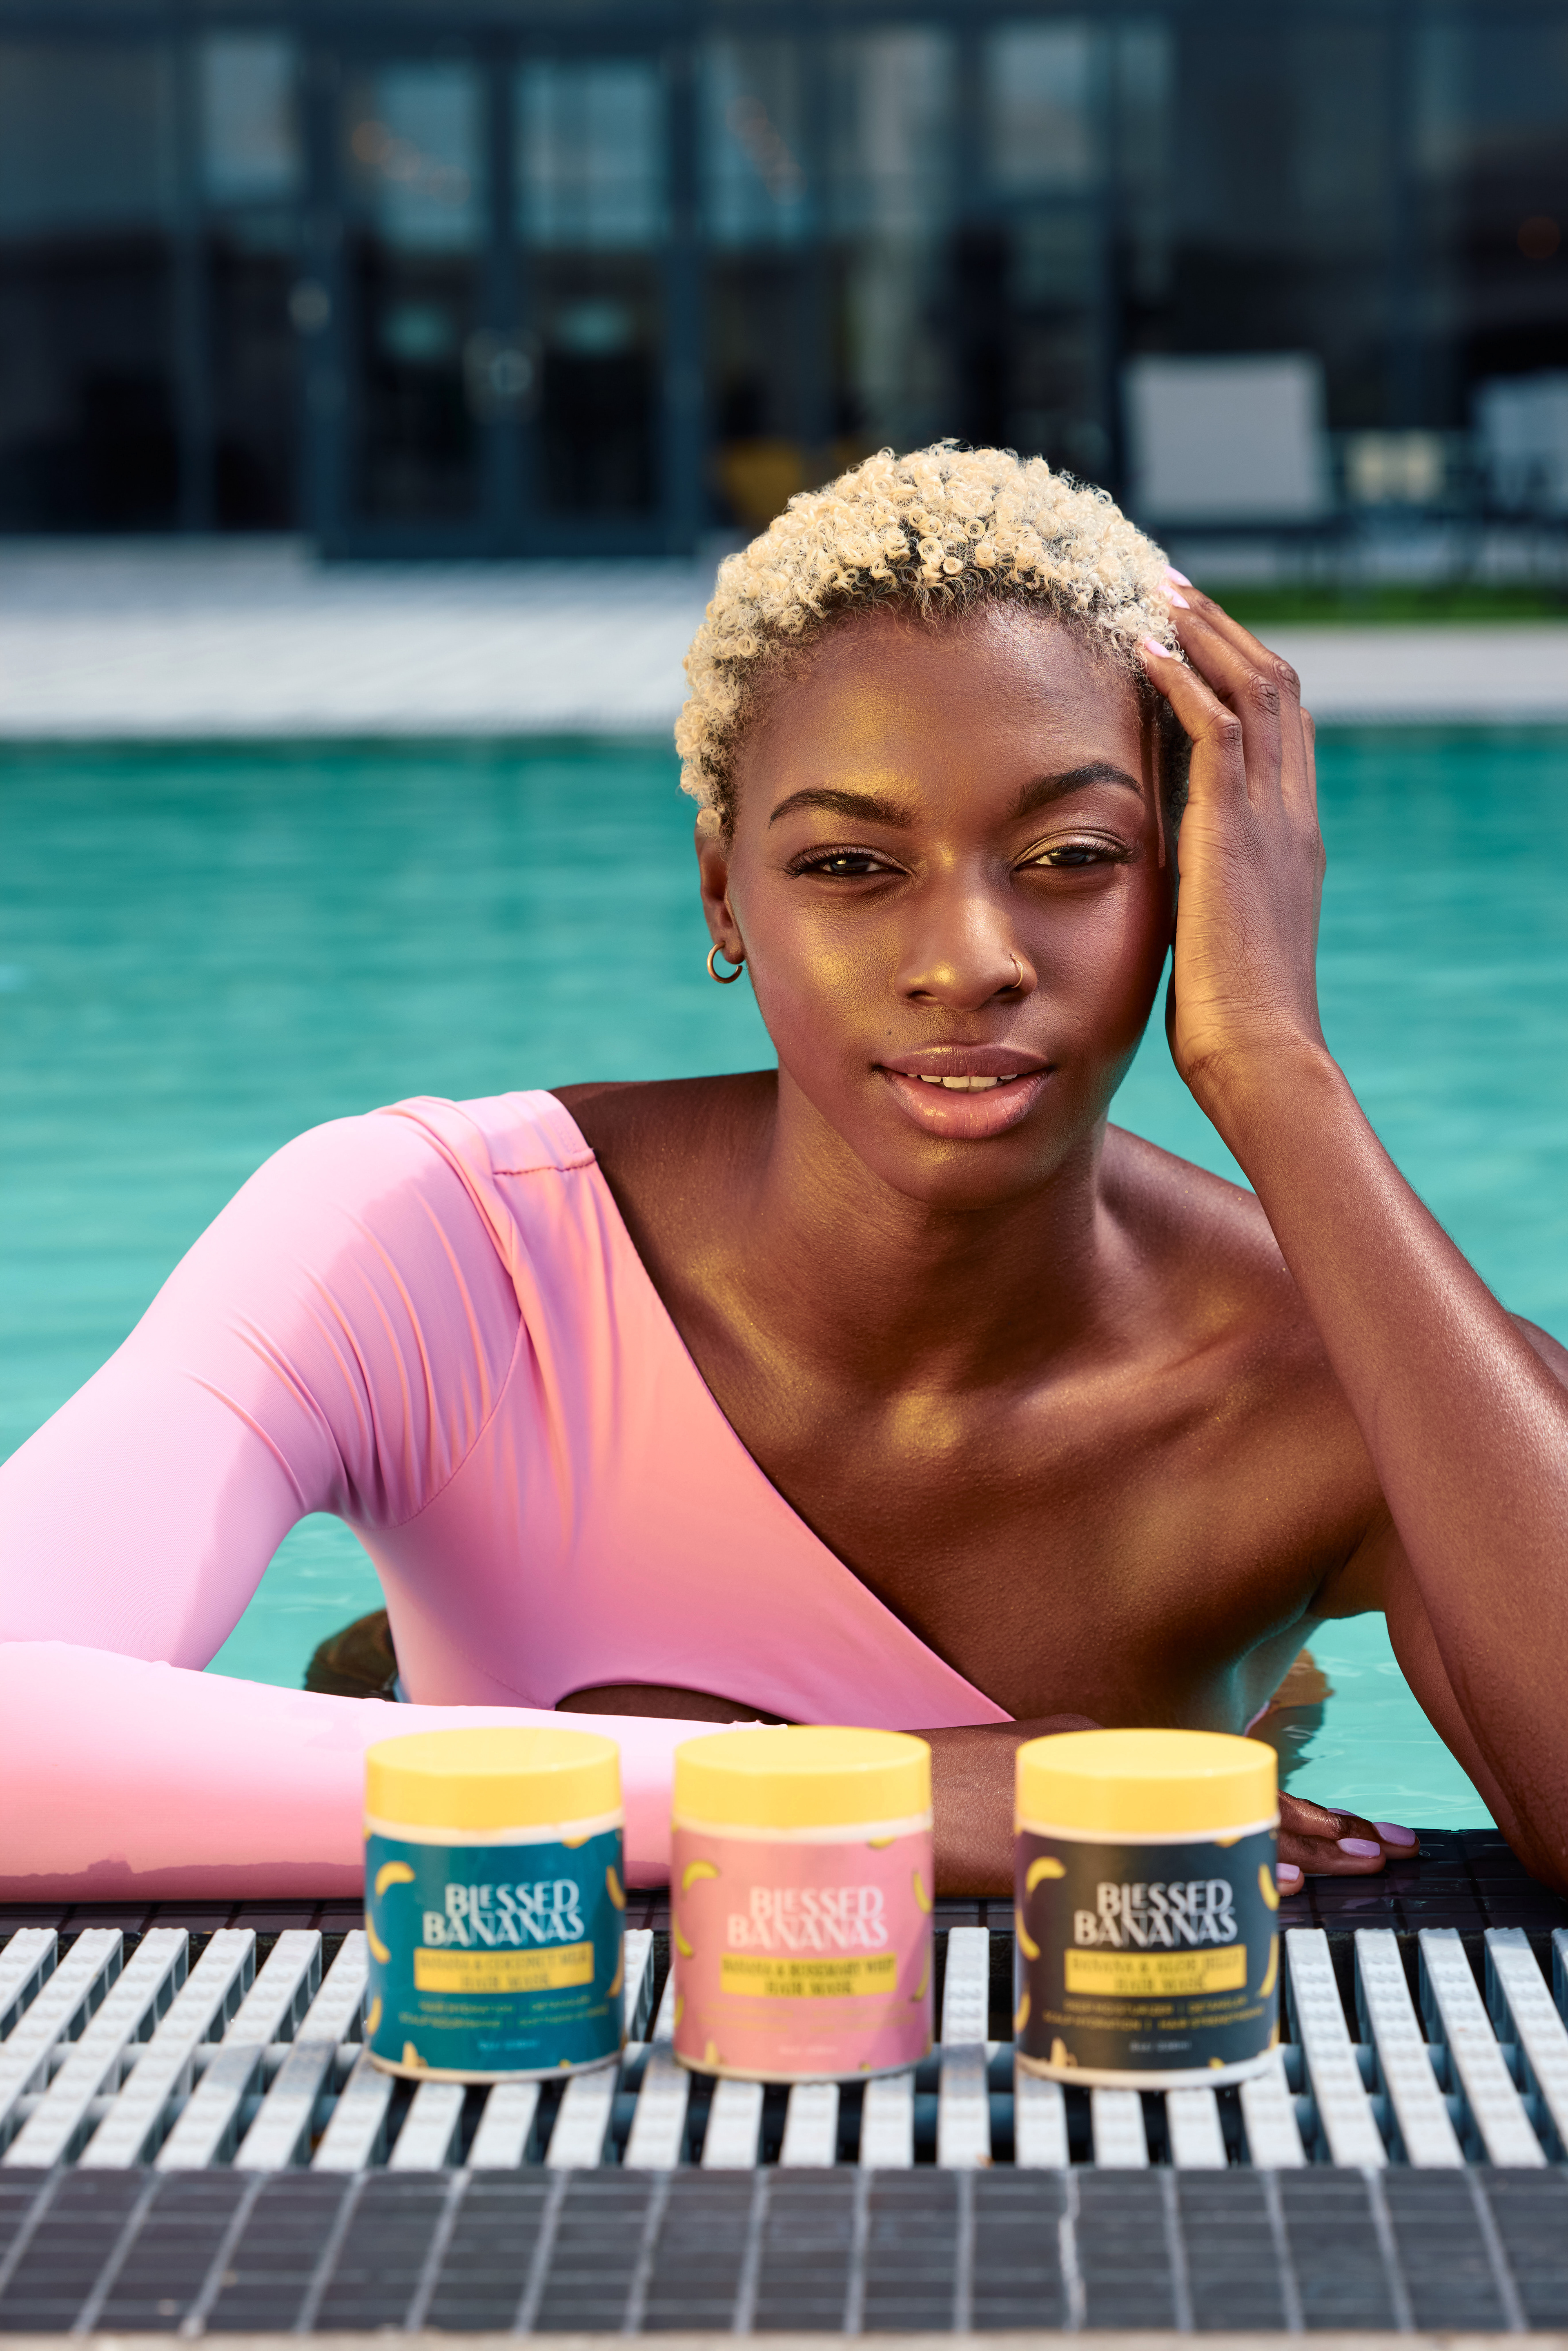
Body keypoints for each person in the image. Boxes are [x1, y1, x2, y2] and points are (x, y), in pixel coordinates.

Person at [3, 445, 1566, 1903]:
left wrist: (1278, 1072)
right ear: (724, 890)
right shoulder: (430, 1245)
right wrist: (908, 1796)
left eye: (1075, 859)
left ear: (1195, 881)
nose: (968, 963)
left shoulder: (1340, 1366)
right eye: (847, 867)